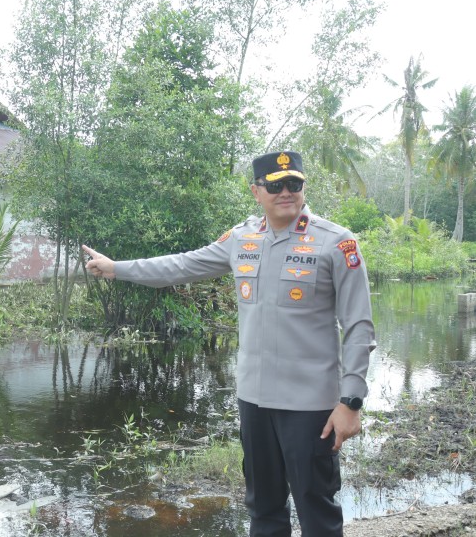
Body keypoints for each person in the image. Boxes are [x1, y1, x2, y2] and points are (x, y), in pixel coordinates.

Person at [83, 151, 376, 536]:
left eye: (294, 183)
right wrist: (116, 268)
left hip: (311, 406)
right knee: (263, 509)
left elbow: (359, 326)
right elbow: (182, 265)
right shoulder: (242, 238)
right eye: (275, 185)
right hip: (254, 401)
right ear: (256, 191)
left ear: (304, 187)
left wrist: (350, 402)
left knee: (316, 509)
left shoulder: (336, 242)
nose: (286, 192)